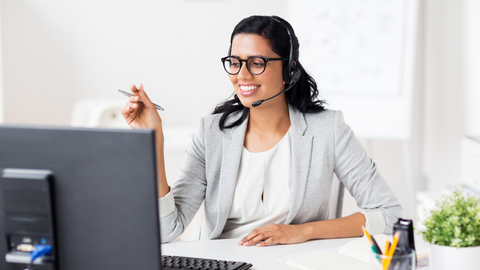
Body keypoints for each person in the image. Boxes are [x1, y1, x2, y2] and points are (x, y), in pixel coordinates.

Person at [121, 15, 402, 247]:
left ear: (289, 70)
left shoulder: (328, 129)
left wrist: (302, 231)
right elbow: (167, 230)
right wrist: (152, 139)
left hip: (291, 263)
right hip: (223, 264)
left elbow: (389, 214)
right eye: (235, 62)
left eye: (257, 63)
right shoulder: (211, 133)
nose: (242, 75)